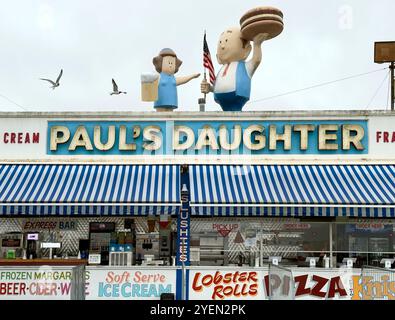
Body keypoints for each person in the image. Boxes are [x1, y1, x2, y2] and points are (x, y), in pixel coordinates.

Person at [200, 27, 268, 111]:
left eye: (226, 42)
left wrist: (257, 45)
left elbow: (256, 60)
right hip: (221, 100)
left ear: (246, 50)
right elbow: (219, 86)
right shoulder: (222, 69)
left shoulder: (244, 67)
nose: (223, 46)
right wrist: (210, 88)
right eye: (220, 42)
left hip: (237, 96)